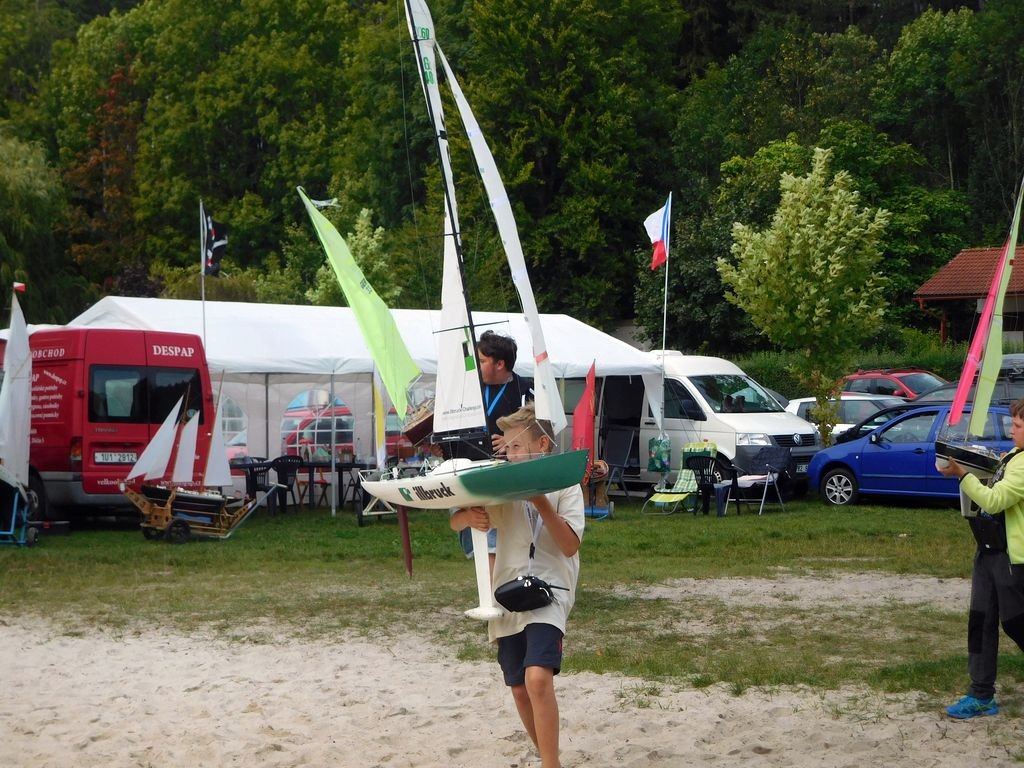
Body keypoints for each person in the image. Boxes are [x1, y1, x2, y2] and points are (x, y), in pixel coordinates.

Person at [449, 404, 584, 768]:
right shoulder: (503, 487)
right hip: (508, 591)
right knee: (520, 688)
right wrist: (467, 516)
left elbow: (569, 545)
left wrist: (540, 500)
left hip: (551, 590)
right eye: (505, 448)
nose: (509, 455)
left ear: (542, 445)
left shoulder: (566, 484)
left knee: (537, 678)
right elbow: (456, 521)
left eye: (516, 447)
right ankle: (548, 756)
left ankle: (550, 764)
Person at [937, 398, 1024, 719]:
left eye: (1018, 426)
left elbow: (995, 500)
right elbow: (991, 480)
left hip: (1011, 559)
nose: (1011, 431)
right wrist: (965, 464)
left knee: (1016, 624)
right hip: (988, 549)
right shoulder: (1013, 456)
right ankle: (981, 693)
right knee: (981, 621)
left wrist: (963, 475)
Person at [457, 330, 534, 563]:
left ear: (500, 364)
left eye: (481, 361)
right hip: (468, 475)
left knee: (495, 548)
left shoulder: (525, 391)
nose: (476, 366)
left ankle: (497, 584)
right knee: (478, 545)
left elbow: (540, 432)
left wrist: (512, 441)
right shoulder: (467, 388)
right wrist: (444, 446)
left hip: (504, 480)